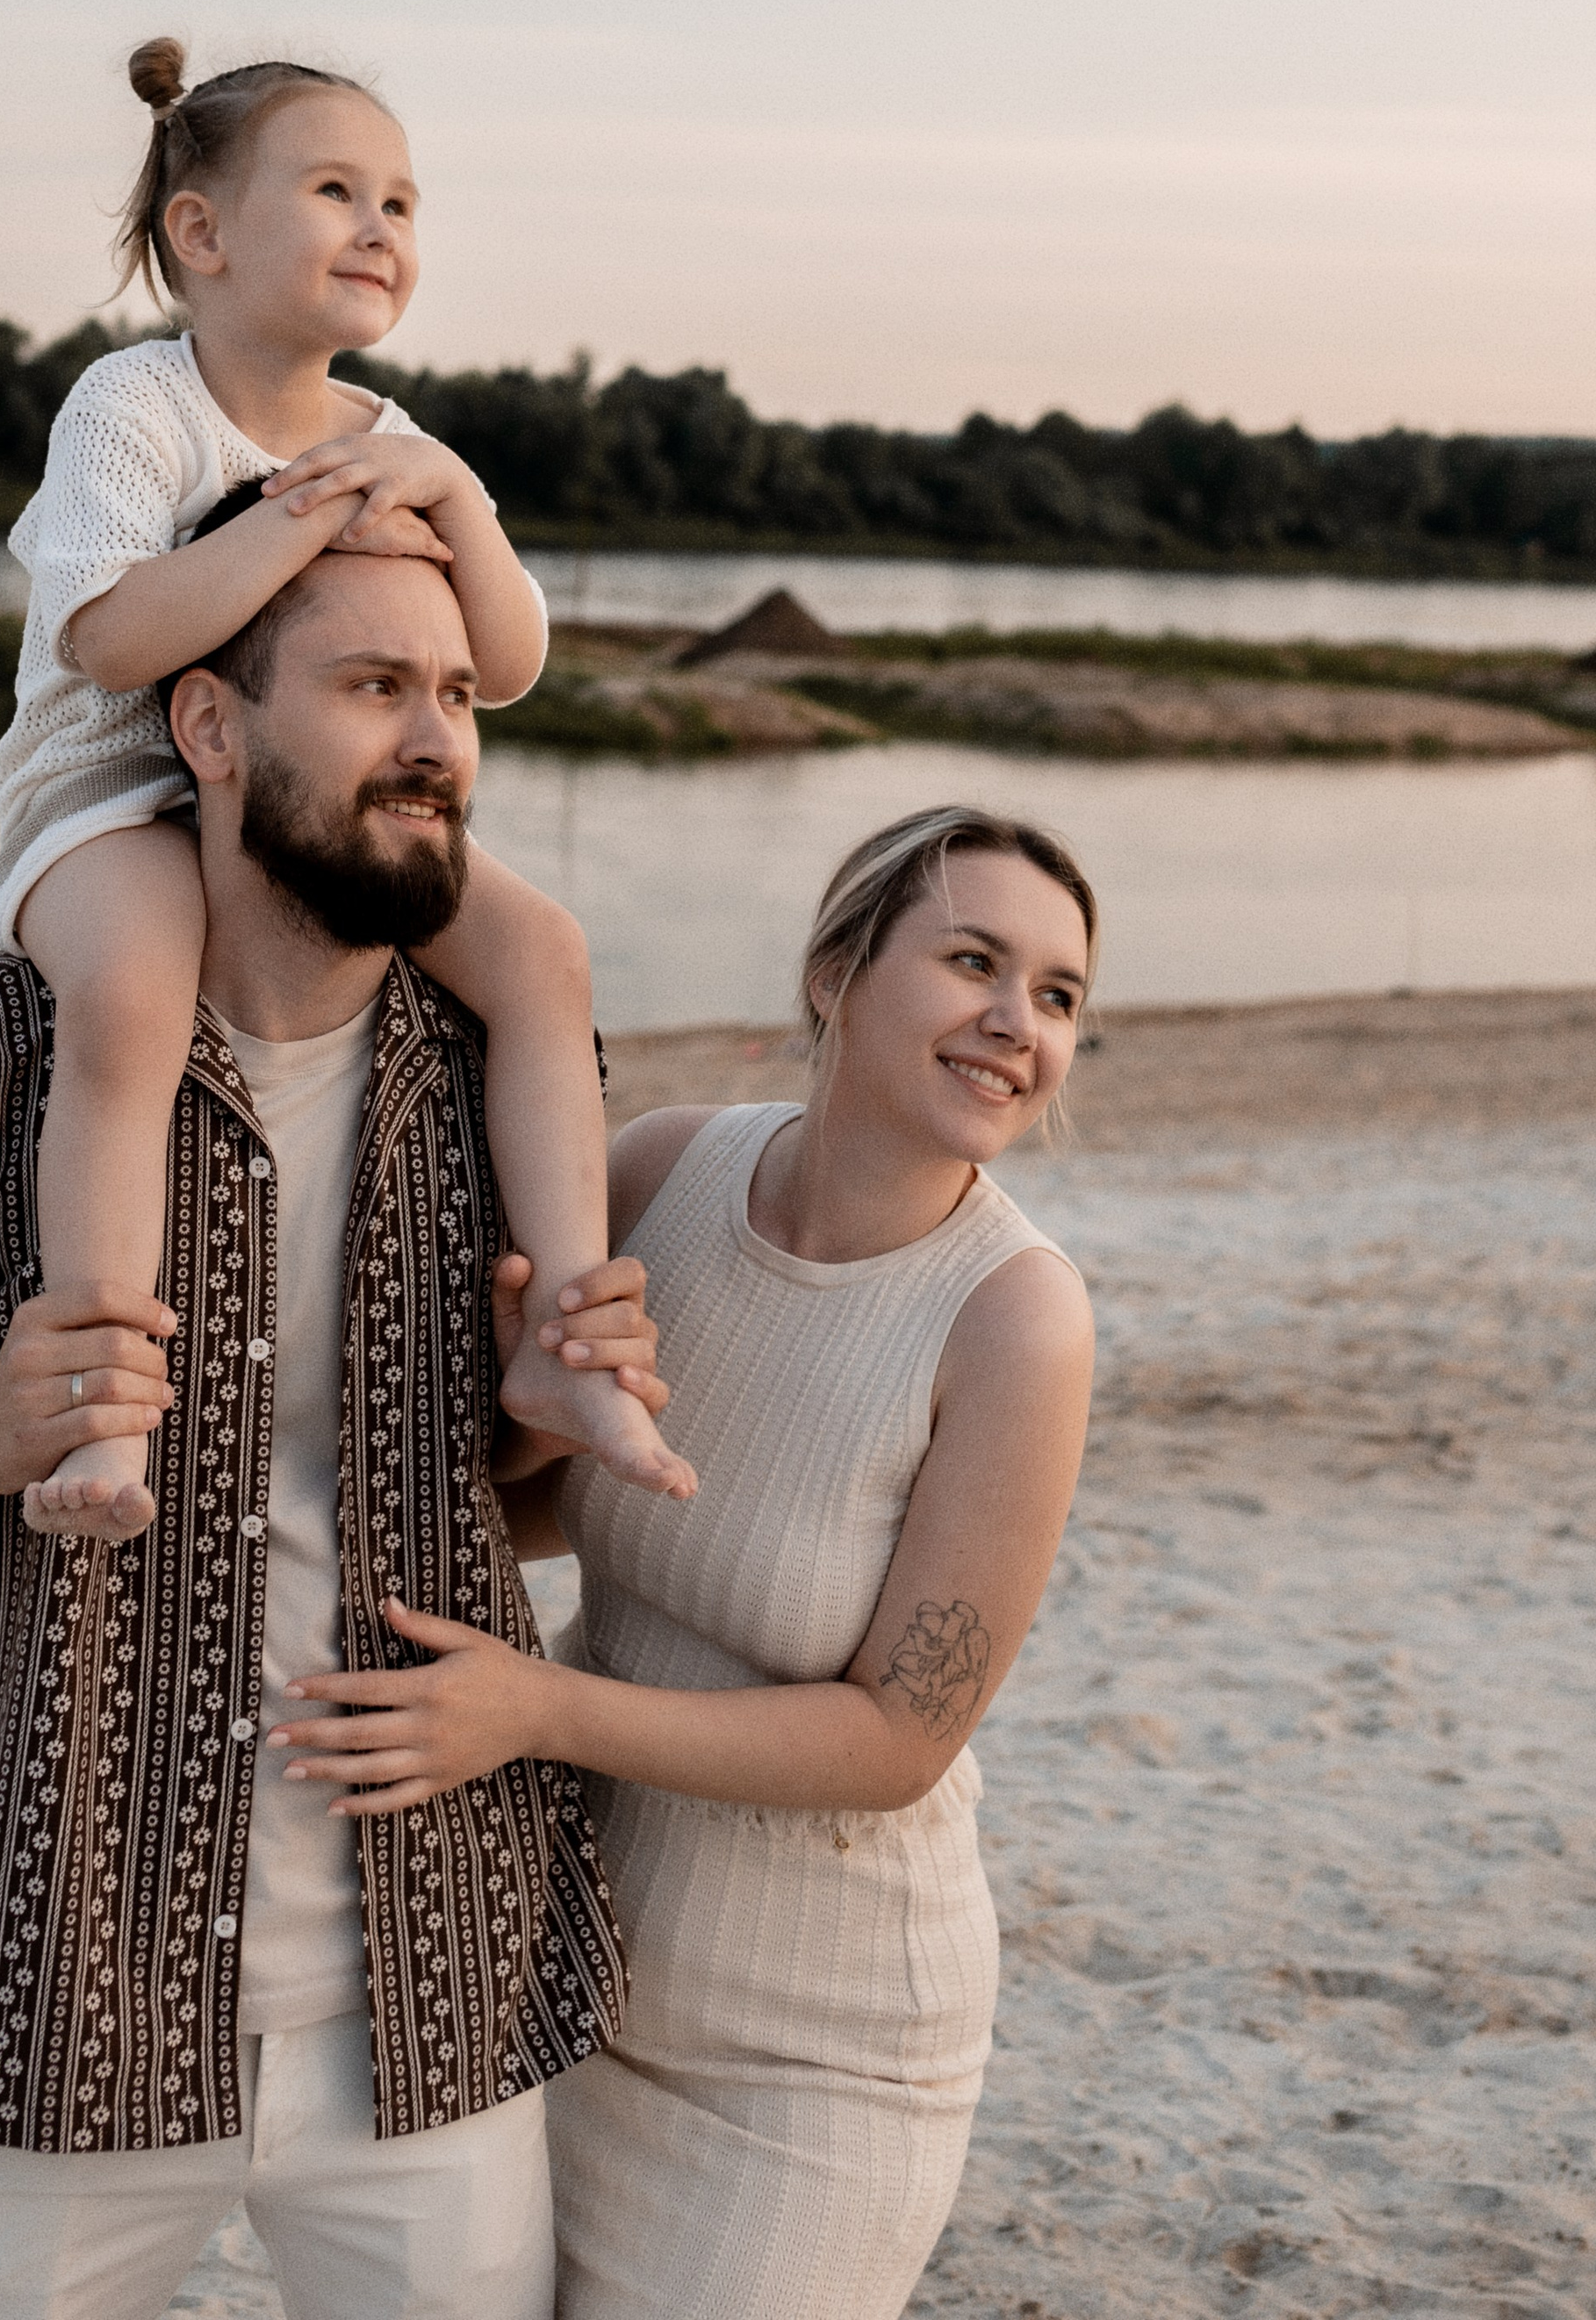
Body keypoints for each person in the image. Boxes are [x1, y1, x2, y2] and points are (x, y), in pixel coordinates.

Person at [0, 540, 666, 2320]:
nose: (436, 739)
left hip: (423, 1976)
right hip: (49, 1970)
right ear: (209, 726)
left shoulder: (515, 1083)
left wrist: (544, 1416)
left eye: (456, 697)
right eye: (376, 687)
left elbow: (502, 1512)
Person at [265, 802, 1099, 2320]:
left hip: (817, 2058)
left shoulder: (1017, 1322)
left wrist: (536, 1712)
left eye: (1055, 996)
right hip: (565, 1977)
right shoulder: (658, 1175)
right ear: (835, 973)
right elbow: (540, 1507)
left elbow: (902, 1738)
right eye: (973, 960)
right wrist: (524, 1412)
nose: (1013, 1024)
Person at [0, 34, 691, 1533]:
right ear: (203, 232)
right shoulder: (135, 408)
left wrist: (449, 504)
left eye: (404, 203)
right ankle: (104, 1405)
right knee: (130, 995)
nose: (382, 228)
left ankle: (569, 1337)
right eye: (335, 190)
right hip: (107, 793)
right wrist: (300, 527)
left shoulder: (400, 441)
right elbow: (106, 637)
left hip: (301, 801)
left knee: (546, 956)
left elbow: (504, 663)